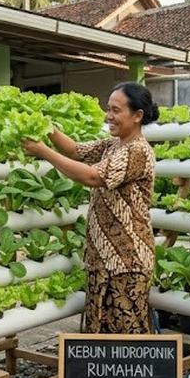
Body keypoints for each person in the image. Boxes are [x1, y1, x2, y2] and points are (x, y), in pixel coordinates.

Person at [21, 82, 158, 334]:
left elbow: (93, 177)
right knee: (99, 333)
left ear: (137, 115)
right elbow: (75, 150)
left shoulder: (138, 151)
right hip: (102, 259)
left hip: (127, 262)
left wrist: (43, 152)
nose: (109, 116)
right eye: (108, 109)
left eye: (116, 110)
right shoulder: (113, 145)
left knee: (125, 336)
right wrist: (45, 127)